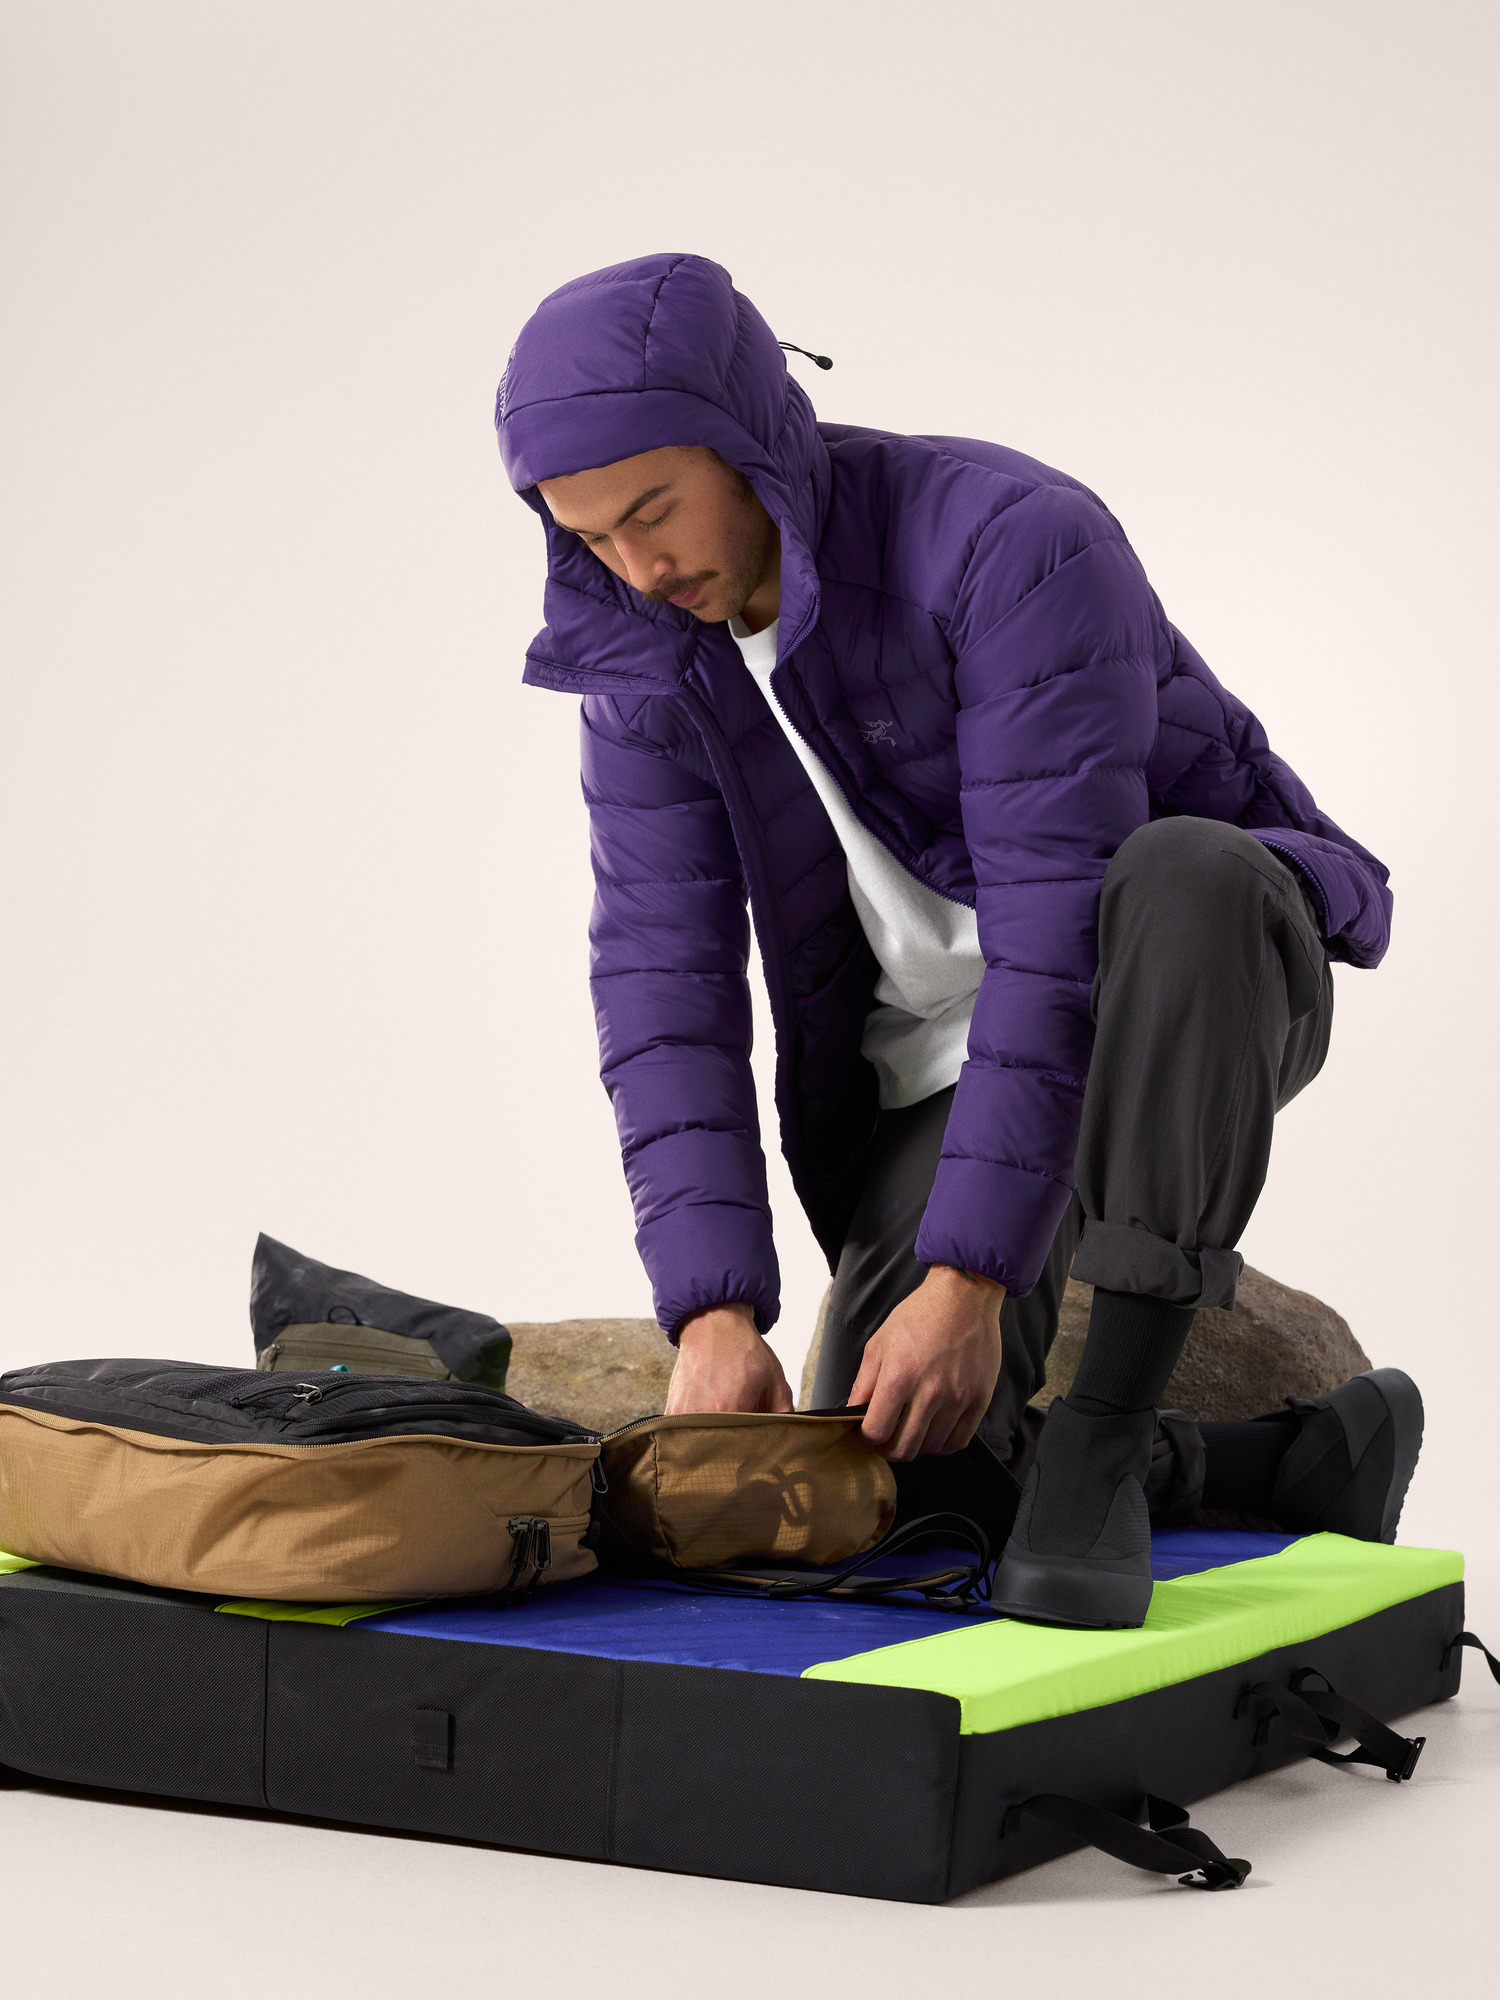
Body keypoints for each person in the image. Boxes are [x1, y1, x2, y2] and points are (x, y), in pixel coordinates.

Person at [495, 253, 1421, 1629]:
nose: (638, 568)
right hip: (941, 1059)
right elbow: (660, 984)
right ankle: (1291, 1463)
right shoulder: (644, 663)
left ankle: (1109, 1432)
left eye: (653, 511)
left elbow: (1059, 939)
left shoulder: (1011, 544)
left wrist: (970, 1279)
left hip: (1183, 981)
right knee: (893, 1501)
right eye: (589, 537)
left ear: (746, 434)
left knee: (1184, 873)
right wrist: (711, 1312)